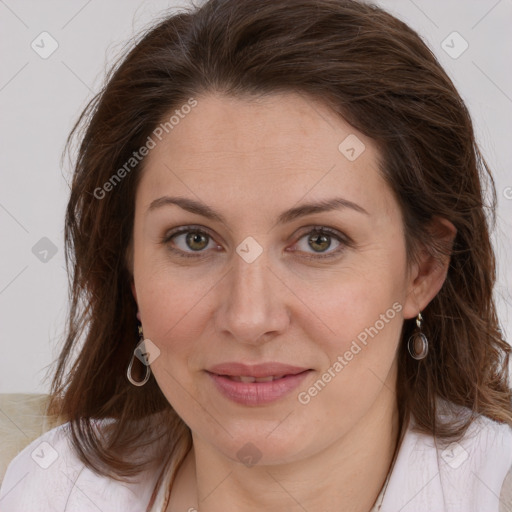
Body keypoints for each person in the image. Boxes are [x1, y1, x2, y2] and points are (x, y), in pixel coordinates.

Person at [1, 0, 511, 510]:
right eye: (193, 239)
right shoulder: (55, 487)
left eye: (319, 240)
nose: (248, 318)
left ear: (421, 270)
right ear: (131, 267)